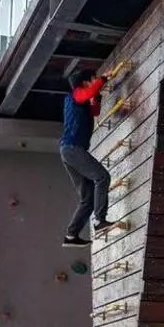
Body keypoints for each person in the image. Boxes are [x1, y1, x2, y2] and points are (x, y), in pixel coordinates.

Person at [59, 68, 117, 248]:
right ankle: (100, 220)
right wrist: (103, 79)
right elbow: (89, 92)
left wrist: (97, 96)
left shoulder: (81, 101)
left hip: (69, 151)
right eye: (92, 79)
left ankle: (71, 235)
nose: (94, 82)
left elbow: (95, 111)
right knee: (102, 177)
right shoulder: (75, 95)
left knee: (88, 198)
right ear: (85, 82)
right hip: (72, 148)